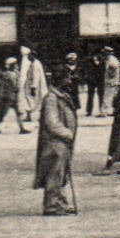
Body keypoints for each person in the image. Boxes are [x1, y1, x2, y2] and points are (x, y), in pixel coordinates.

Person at [33, 71, 77, 216]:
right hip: (55, 143)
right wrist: (67, 133)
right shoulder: (51, 99)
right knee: (55, 174)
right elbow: (52, 122)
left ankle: (61, 202)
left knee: (62, 174)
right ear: (60, 80)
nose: (70, 81)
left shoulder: (62, 96)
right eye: (67, 78)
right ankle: (51, 206)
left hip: (63, 142)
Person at [0, 57, 21, 134]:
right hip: (8, 96)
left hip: (10, 95)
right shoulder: (10, 74)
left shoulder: (9, 73)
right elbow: (15, 85)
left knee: (17, 112)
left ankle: (22, 128)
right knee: (3, 112)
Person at [16, 45, 47, 125]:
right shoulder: (34, 63)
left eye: (29, 55)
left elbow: (36, 76)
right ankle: (30, 116)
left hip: (34, 87)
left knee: (32, 101)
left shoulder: (35, 64)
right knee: (32, 101)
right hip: (31, 85)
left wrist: (33, 87)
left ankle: (33, 116)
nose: (28, 57)